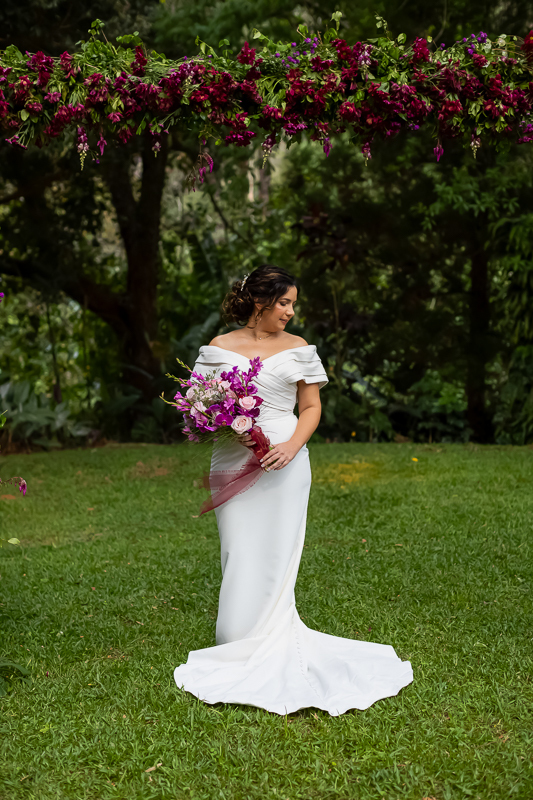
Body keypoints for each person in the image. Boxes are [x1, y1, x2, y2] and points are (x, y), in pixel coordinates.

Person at [174, 264, 413, 715]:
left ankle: (274, 631)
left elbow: (311, 407)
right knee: (239, 547)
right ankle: (236, 637)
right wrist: (221, 422)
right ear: (259, 301)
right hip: (232, 456)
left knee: (278, 551)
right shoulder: (218, 348)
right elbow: (194, 407)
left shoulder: (299, 348)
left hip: (285, 460)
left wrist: (290, 446)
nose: (290, 312)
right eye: (284, 302)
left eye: (293, 304)